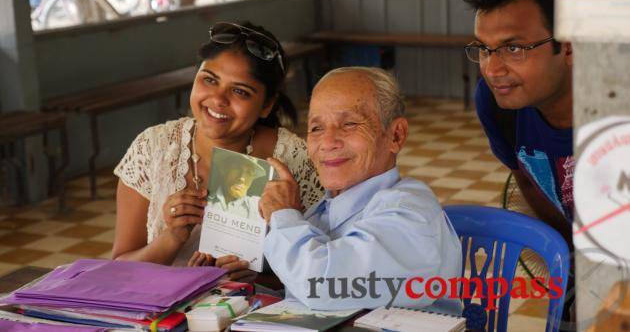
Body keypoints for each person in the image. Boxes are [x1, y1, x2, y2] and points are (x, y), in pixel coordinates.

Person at [112, 22, 324, 283]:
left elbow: (320, 271)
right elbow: (118, 271)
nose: (218, 99)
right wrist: (173, 237)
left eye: (240, 91)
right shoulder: (153, 148)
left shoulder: (294, 159)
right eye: (209, 80)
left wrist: (258, 278)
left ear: (266, 105)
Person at [259, 67, 462, 311]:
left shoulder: (410, 215)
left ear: (396, 136)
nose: (327, 142)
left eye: (349, 124)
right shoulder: (324, 208)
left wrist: (282, 215)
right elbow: (297, 281)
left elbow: (320, 285)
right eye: (316, 128)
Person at [463, 0, 574, 245]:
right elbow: (528, 183)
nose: (492, 71)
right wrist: (569, 253)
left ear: (569, 46)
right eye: (484, 49)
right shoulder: (496, 105)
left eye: (513, 49)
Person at [206, 151, 267, 220]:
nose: (242, 178)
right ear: (224, 169)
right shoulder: (205, 201)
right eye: (237, 168)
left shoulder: (258, 208)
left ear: (252, 179)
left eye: (248, 172)